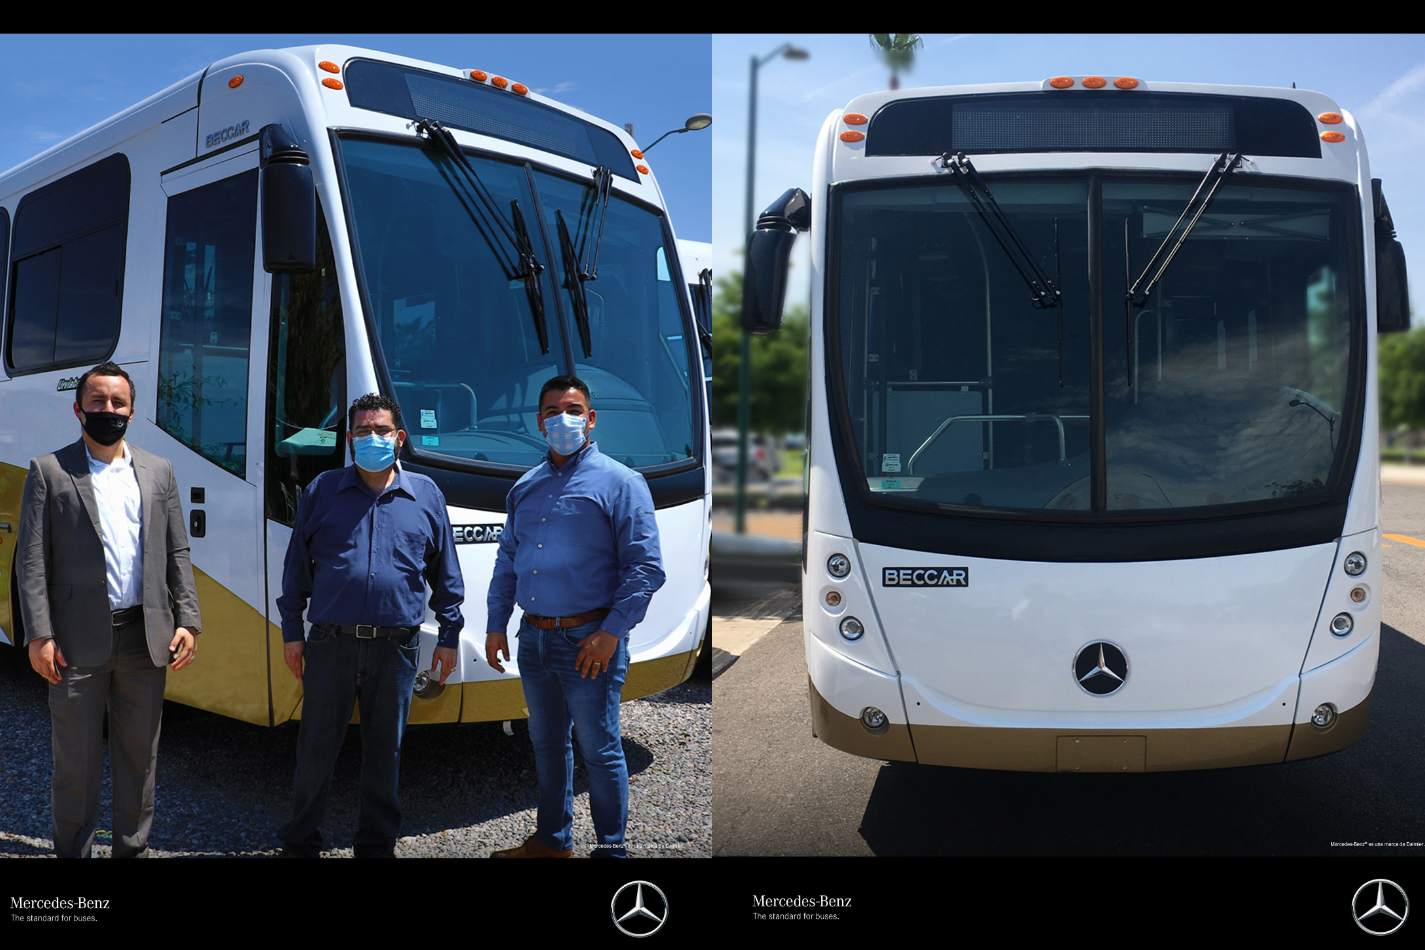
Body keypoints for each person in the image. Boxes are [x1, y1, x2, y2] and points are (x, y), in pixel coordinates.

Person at [16, 361, 202, 858]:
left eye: (117, 402)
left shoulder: (158, 471)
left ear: (133, 411)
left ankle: (131, 851)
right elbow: (30, 561)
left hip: (145, 639)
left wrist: (189, 621)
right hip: (74, 644)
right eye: (97, 402)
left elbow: (177, 552)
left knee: (139, 760)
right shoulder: (49, 471)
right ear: (78, 410)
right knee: (75, 761)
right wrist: (38, 634)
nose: (108, 410)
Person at [276, 393, 464, 858]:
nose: (373, 438)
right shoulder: (323, 490)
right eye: (363, 431)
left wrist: (450, 634)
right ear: (349, 439)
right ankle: (301, 843)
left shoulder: (426, 494)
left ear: (399, 437)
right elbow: (297, 567)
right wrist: (291, 633)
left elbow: (445, 572)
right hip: (330, 645)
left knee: (386, 753)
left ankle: (376, 845)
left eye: (381, 431)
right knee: (316, 750)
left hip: (395, 649)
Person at [486, 375, 665, 859]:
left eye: (573, 409)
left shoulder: (621, 482)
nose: (562, 418)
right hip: (535, 638)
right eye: (552, 410)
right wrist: (495, 623)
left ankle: (611, 849)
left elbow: (646, 568)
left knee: (600, 748)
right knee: (546, 745)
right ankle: (552, 841)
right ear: (539, 421)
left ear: (590, 419)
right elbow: (508, 559)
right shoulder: (526, 486)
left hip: (590, 640)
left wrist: (611, 633)